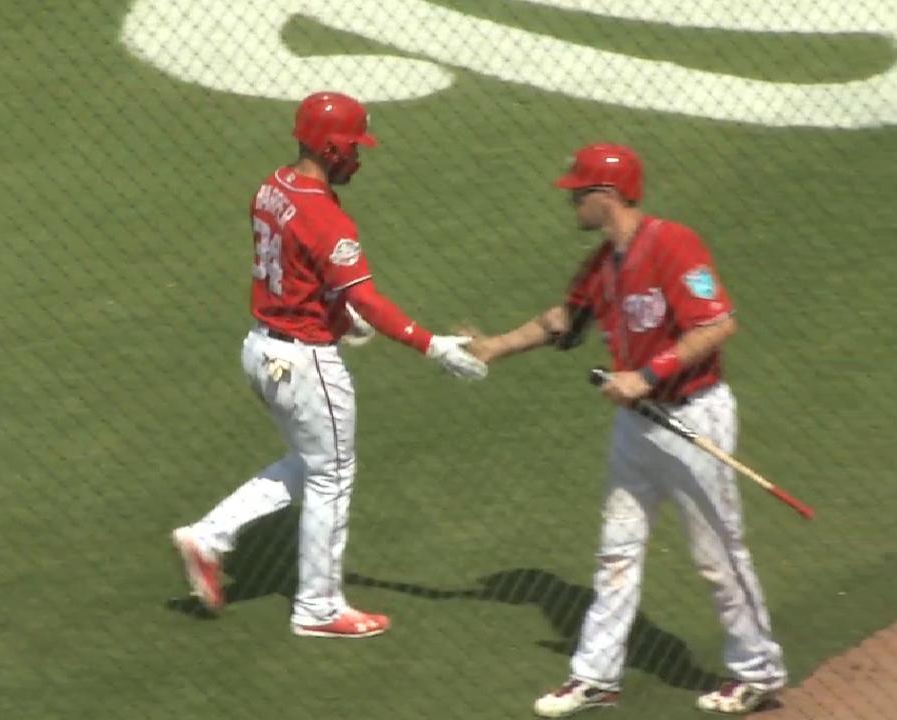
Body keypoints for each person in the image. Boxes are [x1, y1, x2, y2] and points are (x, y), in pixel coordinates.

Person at [467, 144, 786, 715]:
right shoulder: (601, 264)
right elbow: (563, 322)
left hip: (694, 417)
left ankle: (758, 670)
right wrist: (496, 347)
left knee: (717, 555)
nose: (571, 201)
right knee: (616, 551)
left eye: (578, 192)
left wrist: (645, 374)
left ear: (606, 196)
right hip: (636, 427)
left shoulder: (672, 244)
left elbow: (717, 325)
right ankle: (597, 675)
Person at [171, 91, 487, 639]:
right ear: (332, 146)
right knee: (333, 475)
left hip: (260, 348)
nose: (359, 159)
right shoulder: (328, 219)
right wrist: (430, 344)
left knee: (311, 461)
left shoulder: (271, 188)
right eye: (354, 148)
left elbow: (299, 274)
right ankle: (318, 607)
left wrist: (337, 314)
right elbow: (366, 299)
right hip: (305, 362)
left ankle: (210, 535)